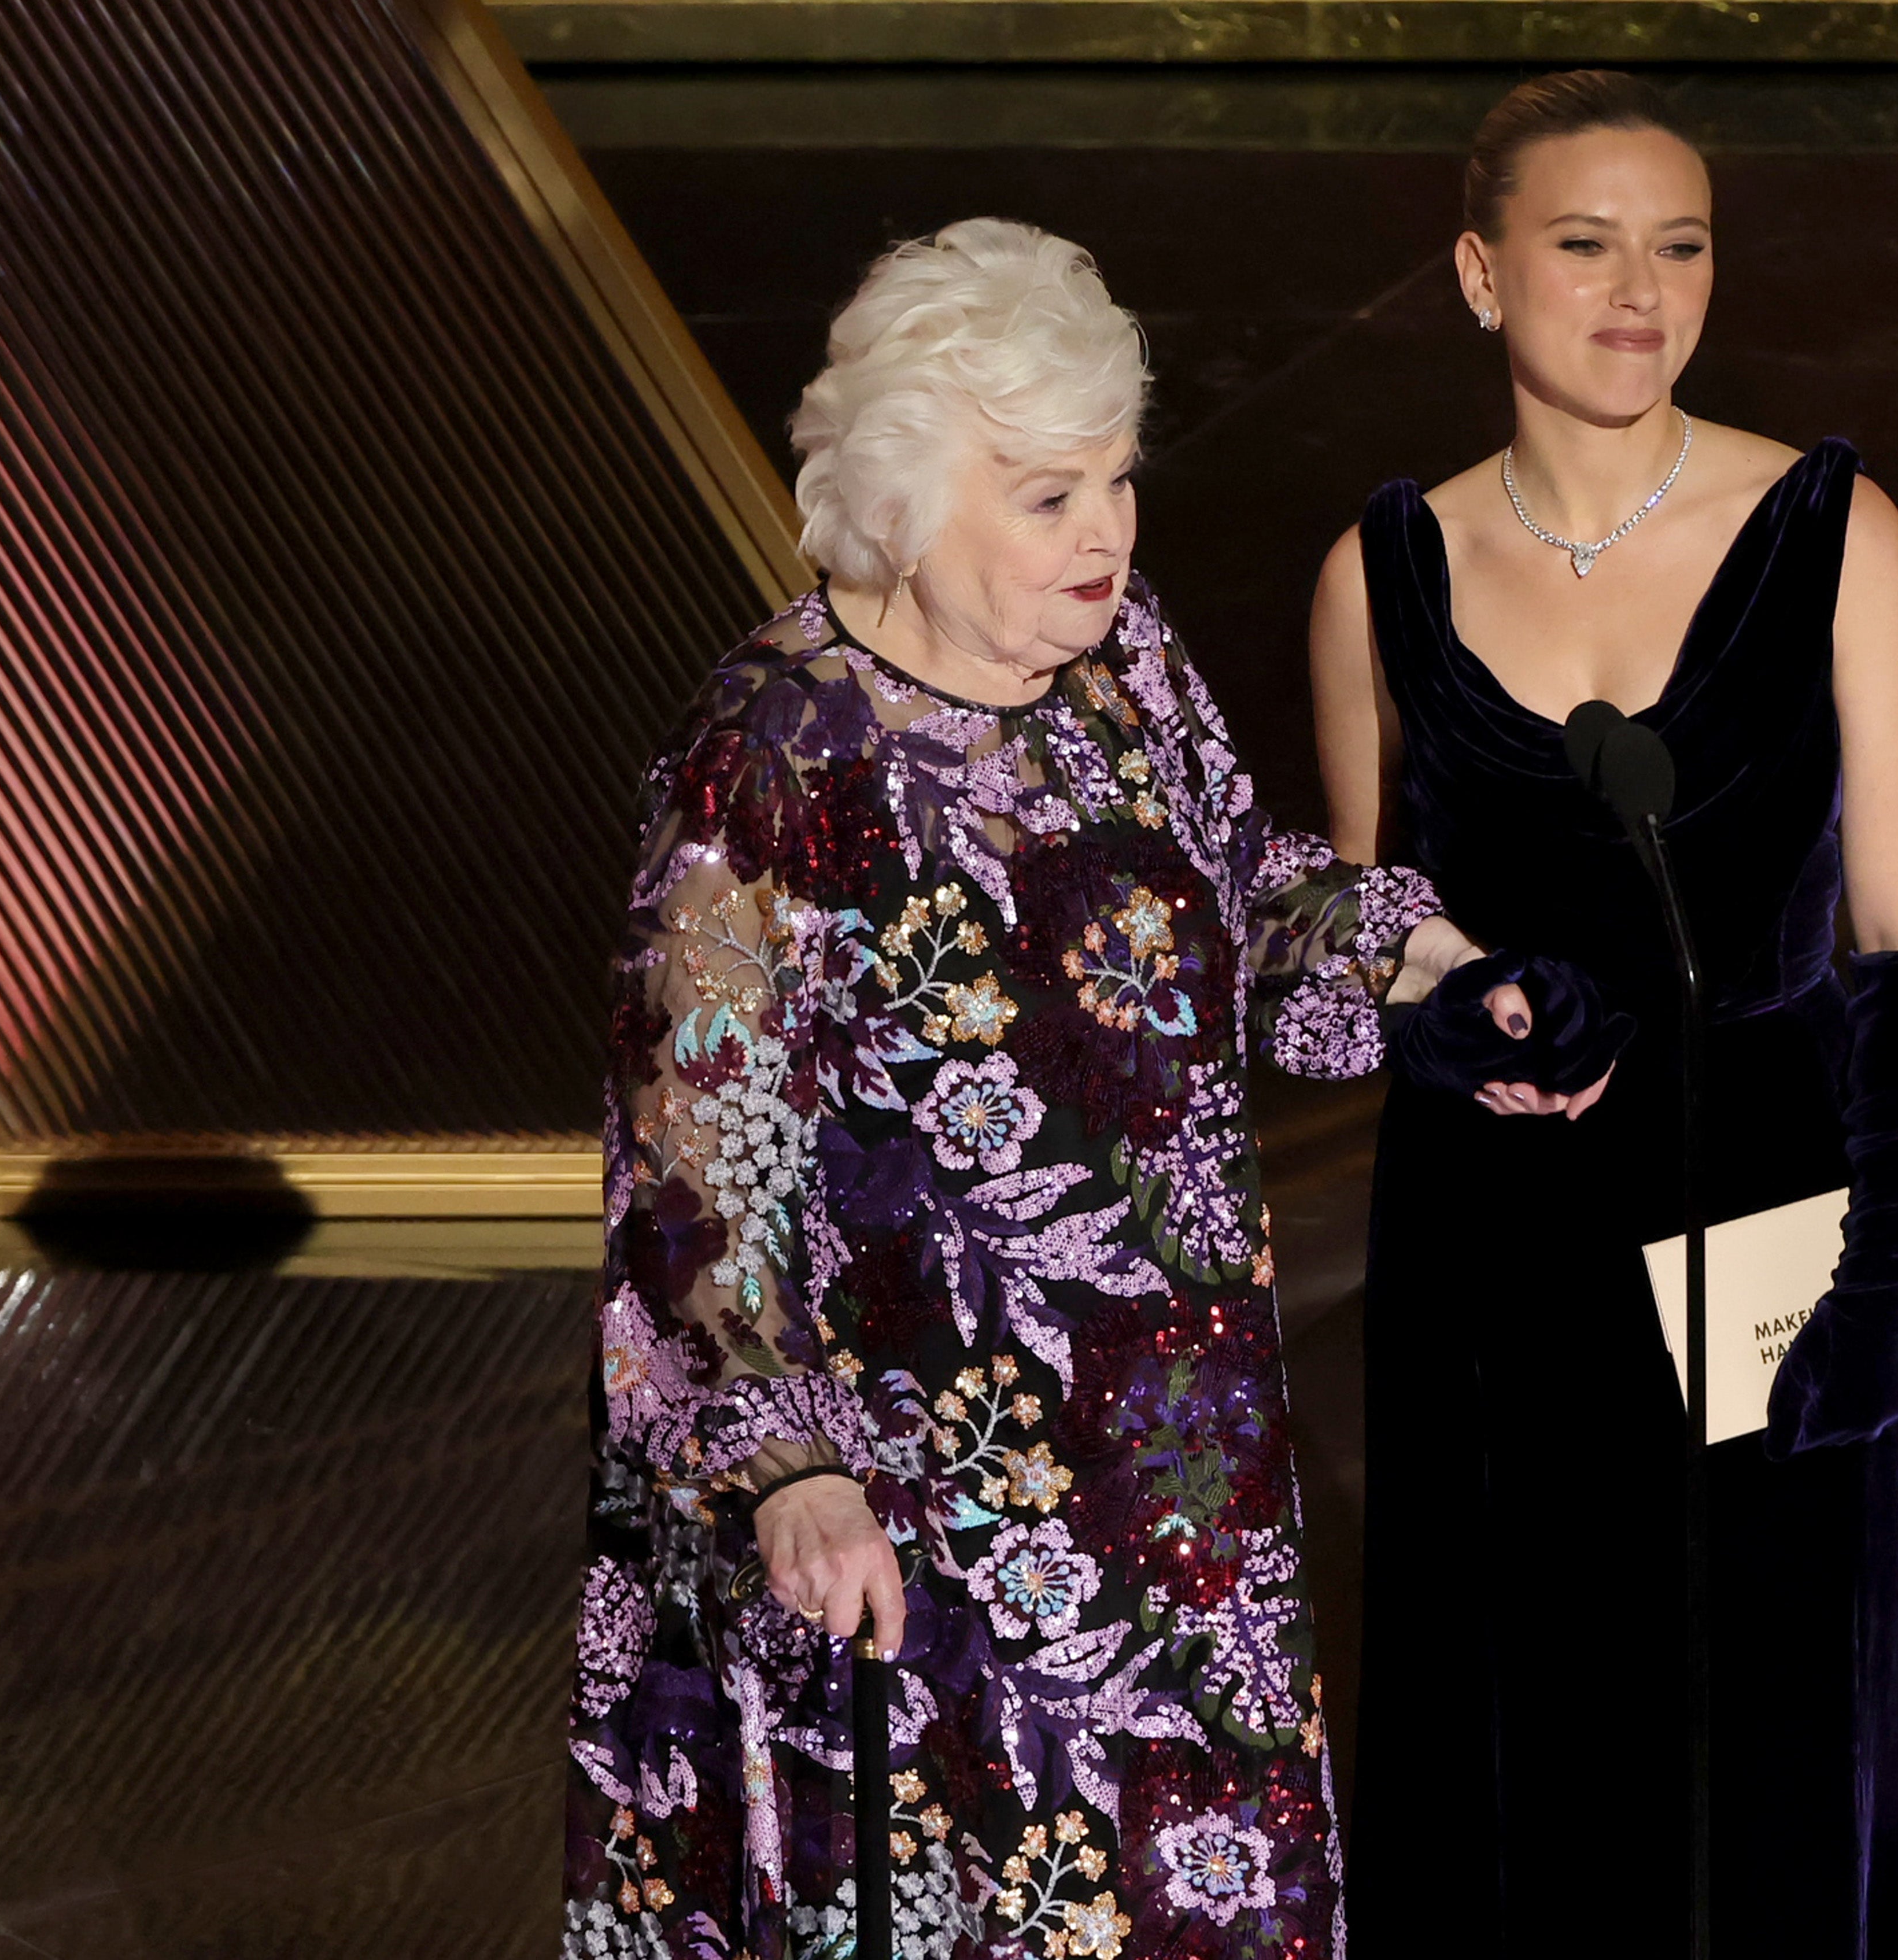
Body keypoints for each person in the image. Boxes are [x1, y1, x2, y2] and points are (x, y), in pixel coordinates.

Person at [568, 219, 1485, 1960]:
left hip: (1169, 1486)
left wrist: (1445, 973)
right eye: (1052, 497)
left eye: (1120, 485)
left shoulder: (1123, 673)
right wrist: (785, 1470)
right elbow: (693, 1156)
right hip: (909, 1524)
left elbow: (1242, 897)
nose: (1108, 540)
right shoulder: (770, 754)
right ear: (910, 502)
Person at [1310, 73, 1898, 1956]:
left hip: (1781, 1221)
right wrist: (1440, 1006)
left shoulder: (1831, 535)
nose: (1641, 290)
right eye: (1585, 242)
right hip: (1494, 1250)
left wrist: (1879, 1288)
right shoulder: (1382, 572)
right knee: (1530, 1747)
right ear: (1479, 274)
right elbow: (1373, 927)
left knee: (1786, 1757)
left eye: (1681, 245)